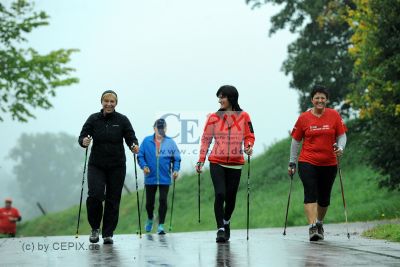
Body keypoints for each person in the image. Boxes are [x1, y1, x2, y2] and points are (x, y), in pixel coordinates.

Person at [78, 90, 139, 245]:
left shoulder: (122, 120)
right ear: (102, 102)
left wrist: (133, 145)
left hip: (117, 165)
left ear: (116, 103)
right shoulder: (93, 119)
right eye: (106, 101)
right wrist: (84, 141)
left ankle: (108, 234)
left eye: (112, 101)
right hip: (96, 165)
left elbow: (131, 137)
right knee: (95, 195)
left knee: (113, 199)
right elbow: (82, 136)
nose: (109, 104)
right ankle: (94, 228)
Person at [196, 85, 255, 243]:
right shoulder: (213, 117)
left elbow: (250, 135)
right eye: (219, 97)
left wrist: (248, 146)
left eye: (223, 97)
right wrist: (201, 159)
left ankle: (226, 220)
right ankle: (220, 228)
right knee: (220, 193)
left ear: (231, 98)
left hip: (236, 163)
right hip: (217, 161)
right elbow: (206, 139)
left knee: (231, 197)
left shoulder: (244, 116)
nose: (220, 100)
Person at [288, 85, 347, 241]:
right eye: (317, 98)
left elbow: (342, 136)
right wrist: (292, 162)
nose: (320, 100)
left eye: (323, 98)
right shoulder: (304, 118)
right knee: (310, 191)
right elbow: (295, 141)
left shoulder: (334, 115)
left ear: (326, 100)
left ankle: (319, 223)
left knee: (324, 197)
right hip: (307, 161)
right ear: (312, 100)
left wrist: (340, 148)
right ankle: (312, 227)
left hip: (329, 163)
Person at [137, 118, 181, 235]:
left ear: (165, 129)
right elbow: (140, 156)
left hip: (164, 178)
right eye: (158, 128)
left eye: (162, 128)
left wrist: (175, 170)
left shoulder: (170, 142)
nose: (160, 130)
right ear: (154, 128)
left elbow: (176, 158)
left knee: (163, 200)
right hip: (150, 177)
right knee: (149, 204)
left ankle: (161, 225)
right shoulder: (146, 141)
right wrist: (144, 166)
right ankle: (150, 218)